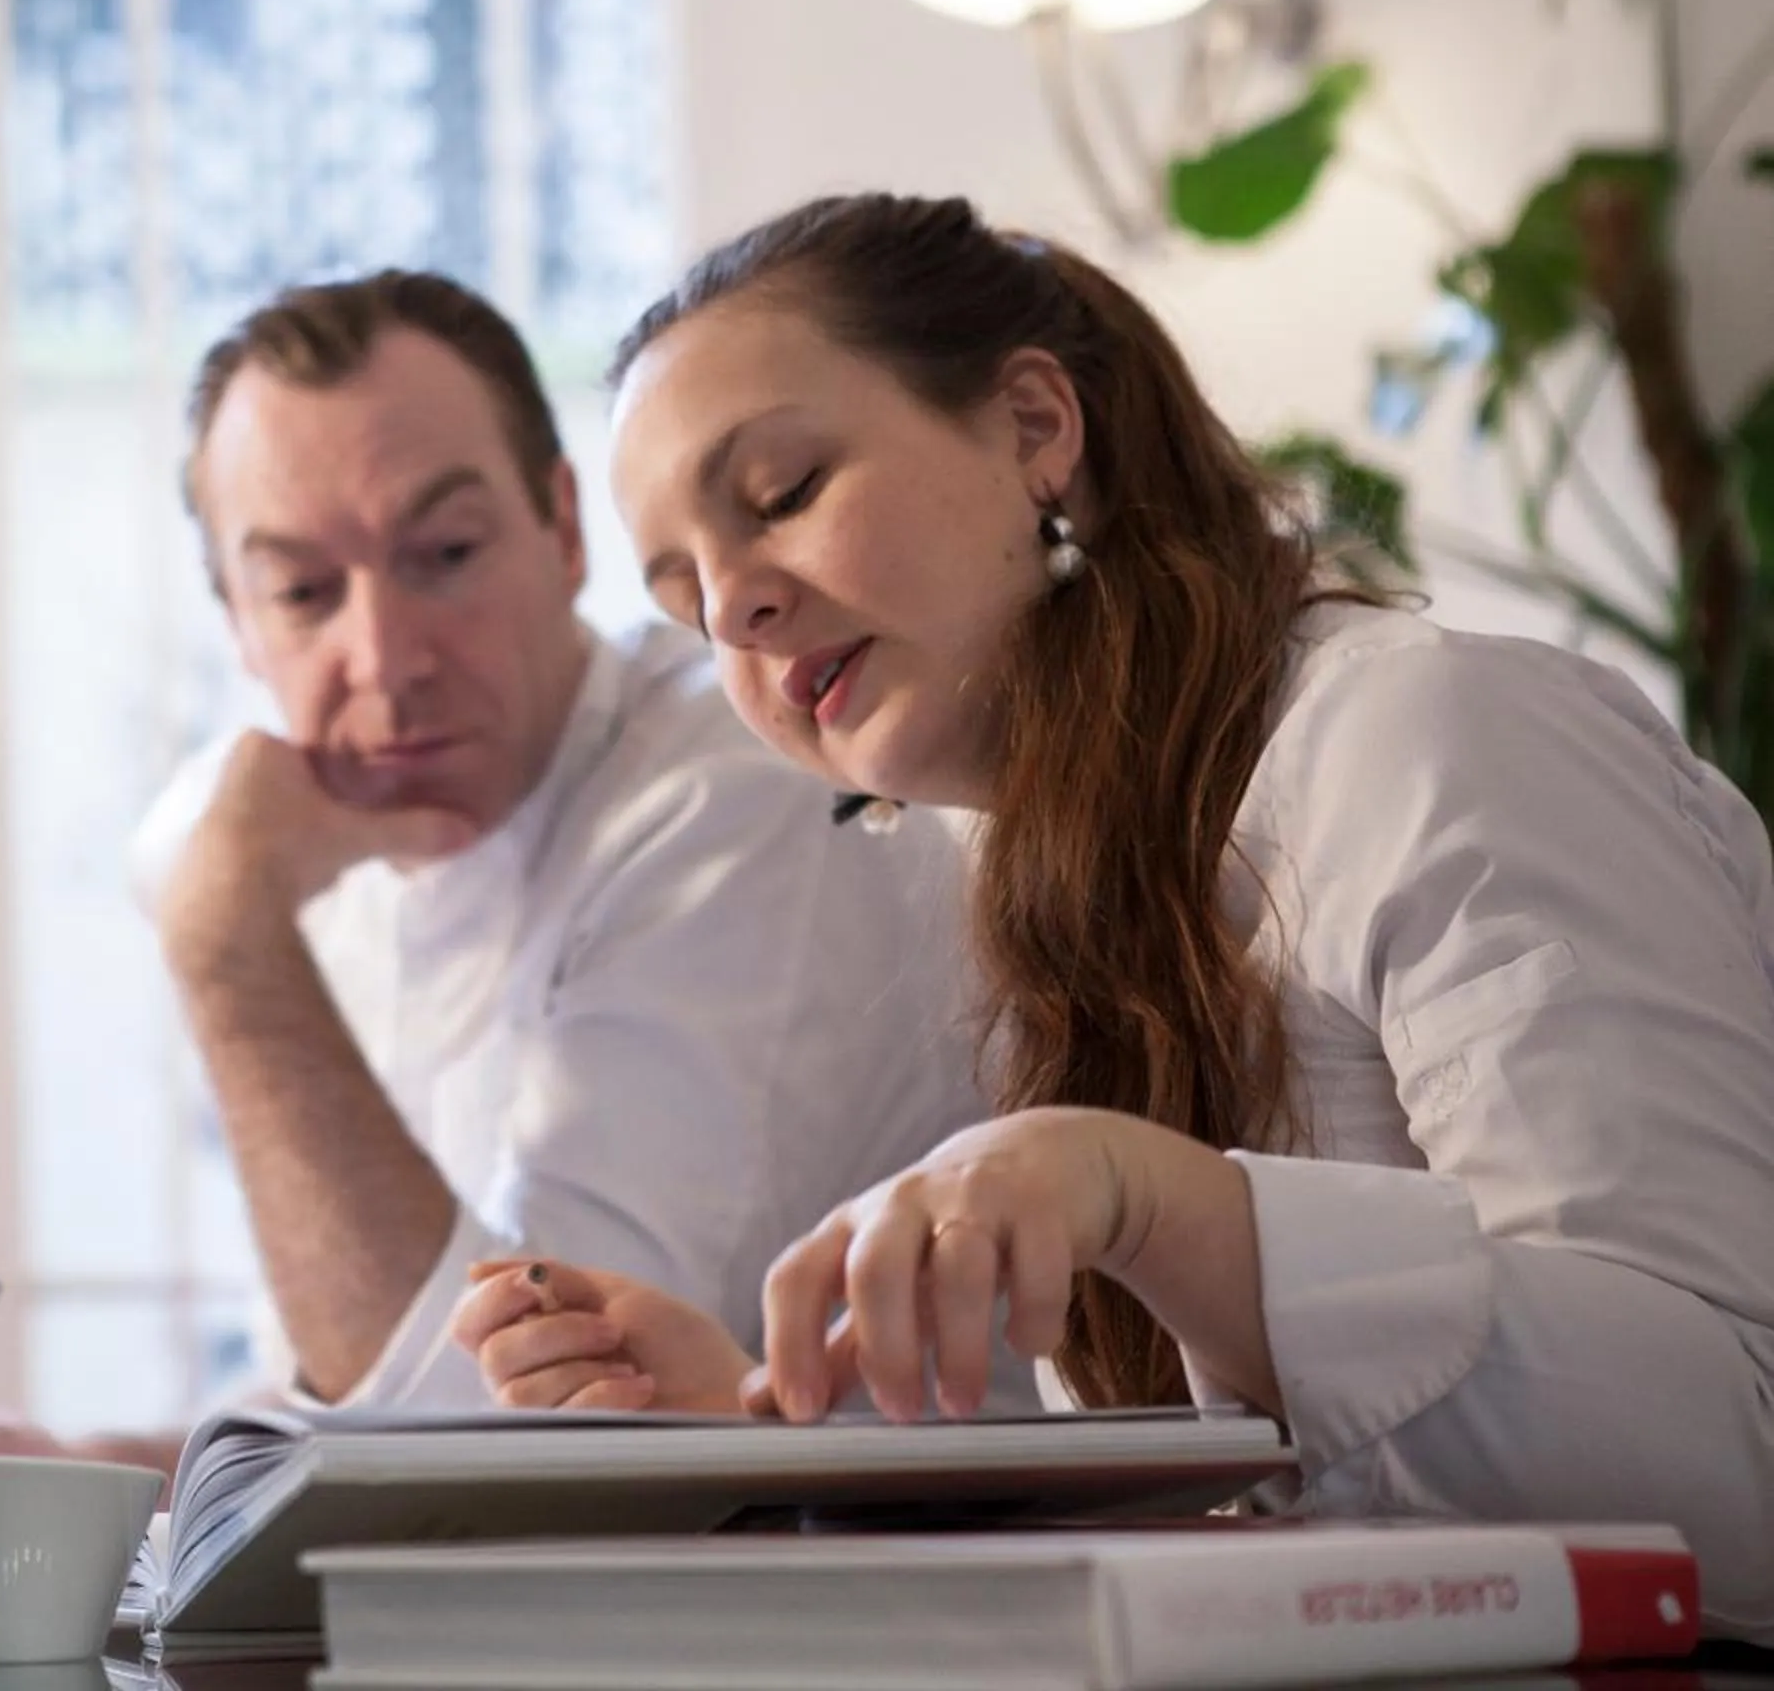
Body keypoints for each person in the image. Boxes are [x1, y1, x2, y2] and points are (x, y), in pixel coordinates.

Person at [452, 193, 1774, 1636]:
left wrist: (1159, 1202)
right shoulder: (1045, 898)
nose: (736, 612)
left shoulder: (1438, 731)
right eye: (684, 597)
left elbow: (1733, 1459)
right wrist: (768, 1441)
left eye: (779, 495)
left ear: (1034, 427)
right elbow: (1230, 1507)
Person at [0, 268, 988, 1525]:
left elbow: (529, 1446)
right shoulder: (340, 860)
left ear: (560, 528)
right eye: (304, 592)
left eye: (443, 553)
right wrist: (91, 1469)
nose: (384, 658)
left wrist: (223, 942)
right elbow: (365, 1402)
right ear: (236, 623)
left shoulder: (738, 792)